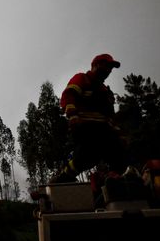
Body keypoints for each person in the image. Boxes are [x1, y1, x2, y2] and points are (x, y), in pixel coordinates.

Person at [51, 53, 127, 183]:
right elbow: (69, 95)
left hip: (105, 129)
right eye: (106, 66)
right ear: (95, 65)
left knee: (119, 153)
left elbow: (110, 116)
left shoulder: (105, 91)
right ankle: (64, 177)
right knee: (88, 154)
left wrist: (119, 133)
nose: (108, 70)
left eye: (110, 68)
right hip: (85, 126)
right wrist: (72, 116)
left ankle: (113, 181)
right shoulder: (82, 79)